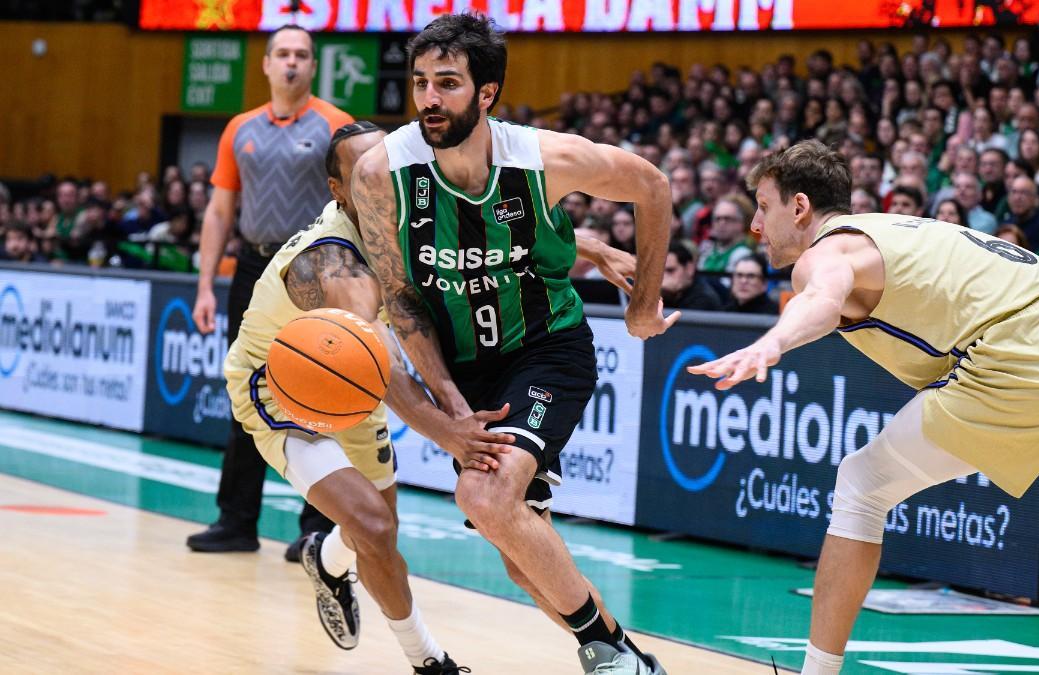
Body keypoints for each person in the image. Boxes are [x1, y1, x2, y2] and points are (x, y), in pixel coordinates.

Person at [689, 139, 1039, 675]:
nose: (755, 225)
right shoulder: (900, 228)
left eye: (764, 207)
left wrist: (773, 343)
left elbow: (821, 298)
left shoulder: (827, 251)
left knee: (861, 485)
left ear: (799, 207)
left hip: (1031, 349)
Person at [351, 14, 674, 675]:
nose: (430, 99)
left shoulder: (544, 159)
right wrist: (449, 403)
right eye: (420, 83)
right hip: (465, 371)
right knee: (524, 562)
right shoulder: (382, 172)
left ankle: (608, 653)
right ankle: (632, 660)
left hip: (546, 346)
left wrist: (641, 306)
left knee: (485, 496)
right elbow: (403, 299)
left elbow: (654, 186)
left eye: (447, 82)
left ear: (487, 92)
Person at [225, 121, 479, 674]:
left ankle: (327, 559)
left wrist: (592, 246)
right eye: (363, 170)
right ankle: (429, 661)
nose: (379, 177)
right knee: (376, 527)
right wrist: (452, 436)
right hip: (281, 387)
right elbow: (383, 370)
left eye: (386, 164)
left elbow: (492, 239)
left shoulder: (410, 217)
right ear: (338, 188)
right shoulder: (331, 260)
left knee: (379, 535)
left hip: (348, 384)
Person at [187, 24, 354, 560]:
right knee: (247, 396)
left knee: (325, 397)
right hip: (252, 271)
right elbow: (219, 211)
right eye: (282, 53)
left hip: (317, 271)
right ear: (265, 64)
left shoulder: (336, 125)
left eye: (301, 55)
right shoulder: (240, 128)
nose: (291, 63)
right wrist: (204, 287)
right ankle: (236, 521)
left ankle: (318, 528)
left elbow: (358, 203)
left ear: (313, 66)